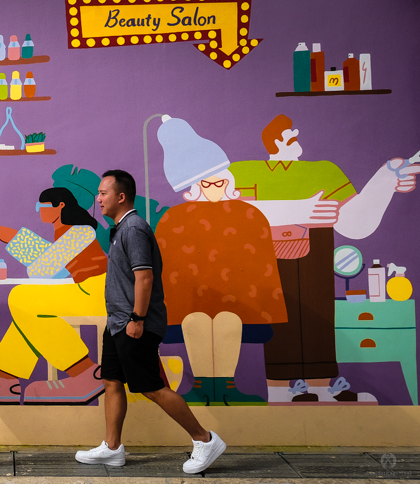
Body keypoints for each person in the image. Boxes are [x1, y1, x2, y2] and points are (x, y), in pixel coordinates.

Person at [229, 114, 417, 403]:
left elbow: (355, 221)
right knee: (277, 317)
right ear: (277, 140)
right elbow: (230, 209)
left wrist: (386, 180)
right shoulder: (243, 171)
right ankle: (279, 387)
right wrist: (295, 210)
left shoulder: (324, 171)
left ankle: (320, 385)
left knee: (318, 315)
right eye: (291, 135)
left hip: (317, 246)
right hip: (263, 251)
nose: (297, 138)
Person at [76, 170, 224, 474]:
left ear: (121, 197)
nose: (98, 199)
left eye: (103, 193)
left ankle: (205, 439)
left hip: (134, 323)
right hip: (118, 323)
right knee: (112, 381)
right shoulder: (120, 229)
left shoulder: (133, 229)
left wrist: (137, 319)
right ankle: (113, 448)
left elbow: (145, 278)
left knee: (152, 387)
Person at [154, 115, 287, 405]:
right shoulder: (173, 219)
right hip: (190, 301)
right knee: (195, 321)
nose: (215, 186)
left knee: (229, 320)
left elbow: (260, 263)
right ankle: (203, 387)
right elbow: (167, 265)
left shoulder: (248, 214)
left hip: (237, 300)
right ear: (193, 186)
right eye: (207, 182)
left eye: (219, 180)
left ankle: (226, 386)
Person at [0, 187, 107, 405]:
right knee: (28, 314)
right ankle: (2, 379)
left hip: (98, 292)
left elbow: (43, 265)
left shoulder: (82, 232)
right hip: (86, 290)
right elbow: (42, 253)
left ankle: (86, 373)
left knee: (21, 297)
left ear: (60, 206)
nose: (39, 210)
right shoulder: (67, 234)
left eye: (42, 206)